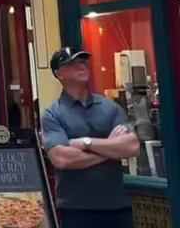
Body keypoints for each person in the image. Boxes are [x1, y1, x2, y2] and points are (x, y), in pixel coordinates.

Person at [41, 46, 139, 228]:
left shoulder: (110, 108)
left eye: (83, 62)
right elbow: (62, 159)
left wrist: (85, 143)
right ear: (59, 74)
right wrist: (110, 149)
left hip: (117, 207)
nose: (82, 66)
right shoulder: (52, 114)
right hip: (76, 211)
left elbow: (132, 147)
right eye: (73, 63)